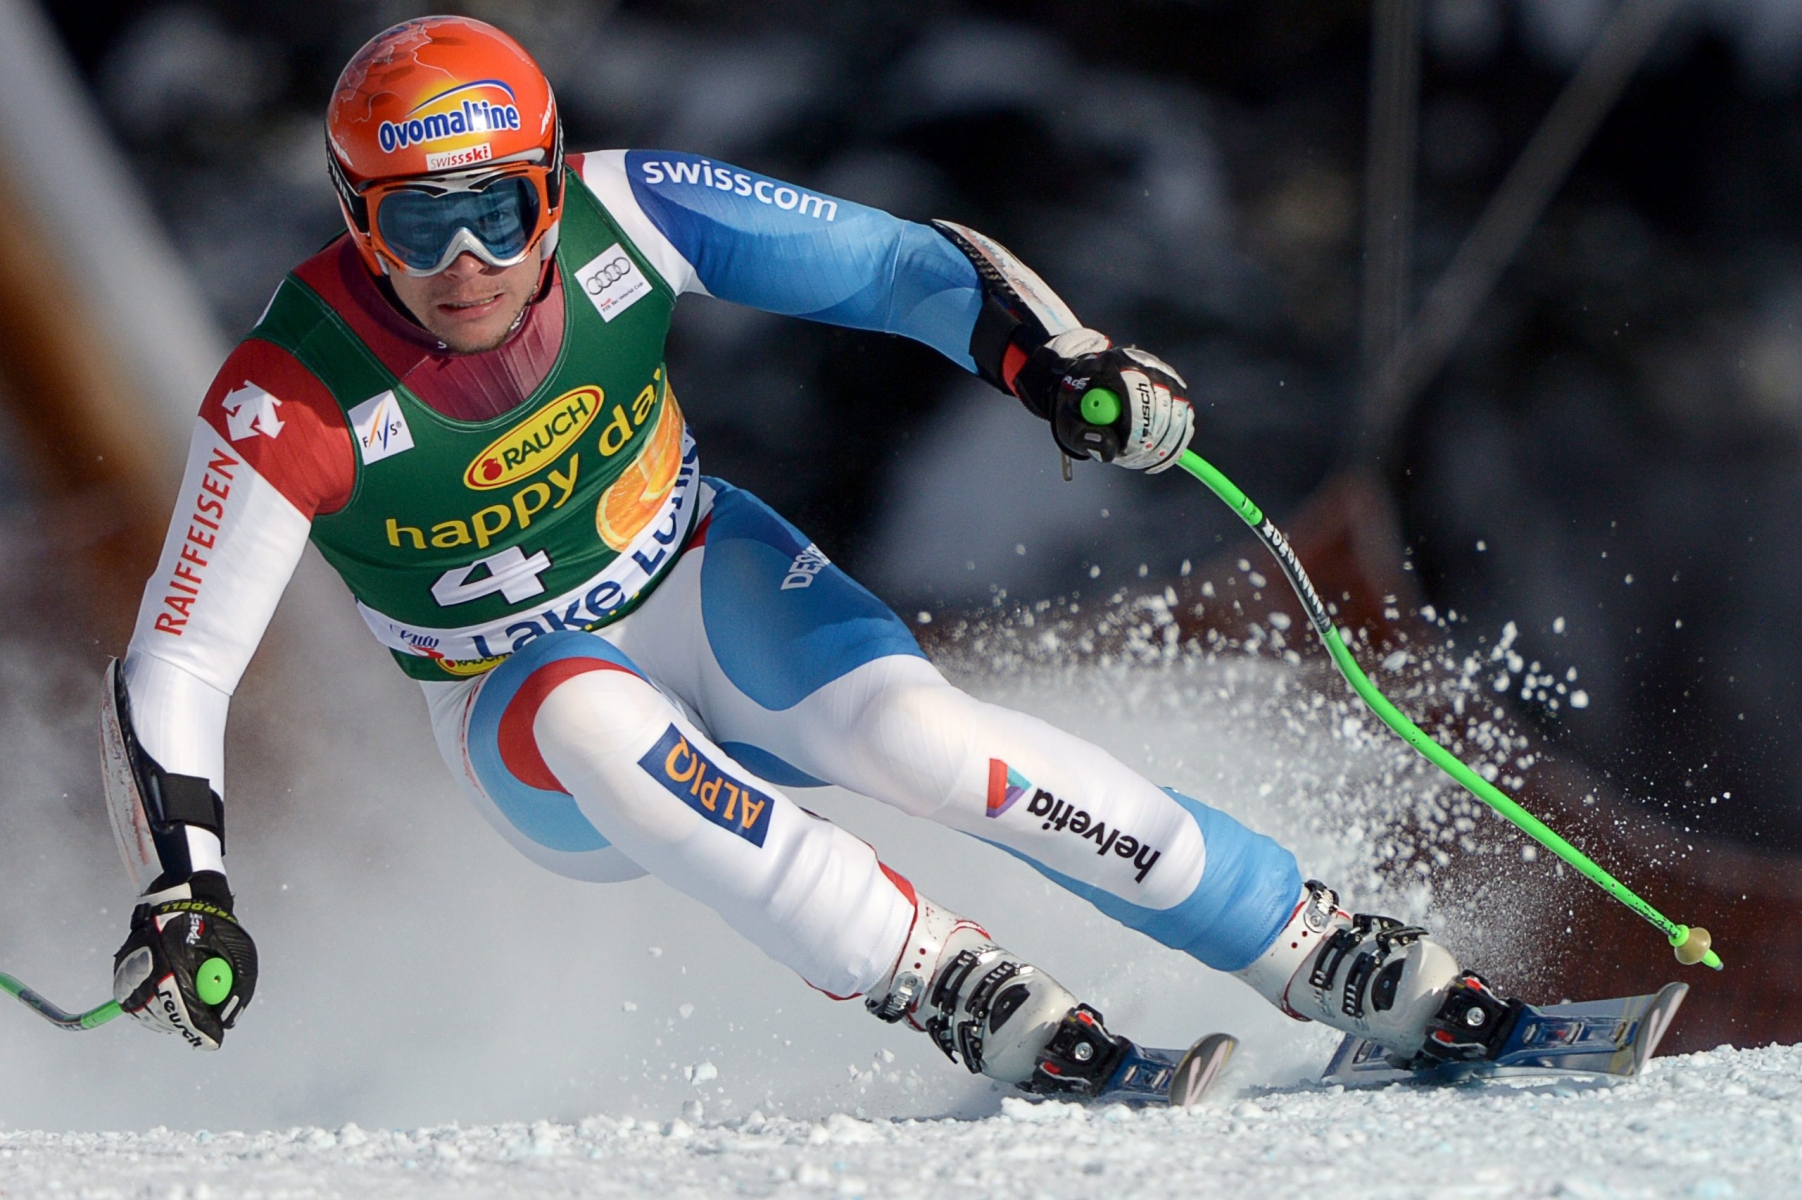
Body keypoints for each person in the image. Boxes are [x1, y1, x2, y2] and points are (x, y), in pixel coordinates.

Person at [104, 16, 1511, 1089]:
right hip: (518, 713)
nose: (464, 260)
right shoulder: (287, 395)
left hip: (710, 580)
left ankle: (1318, 948)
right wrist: (188, 883)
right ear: (359, 221)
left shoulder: (630, 210)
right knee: (591, 711)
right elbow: (178, 661)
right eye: (418, 221)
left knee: (923, 746)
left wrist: (1049, 360)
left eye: (498, 209)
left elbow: (898, 264)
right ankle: (946, 981)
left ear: (547, 186)